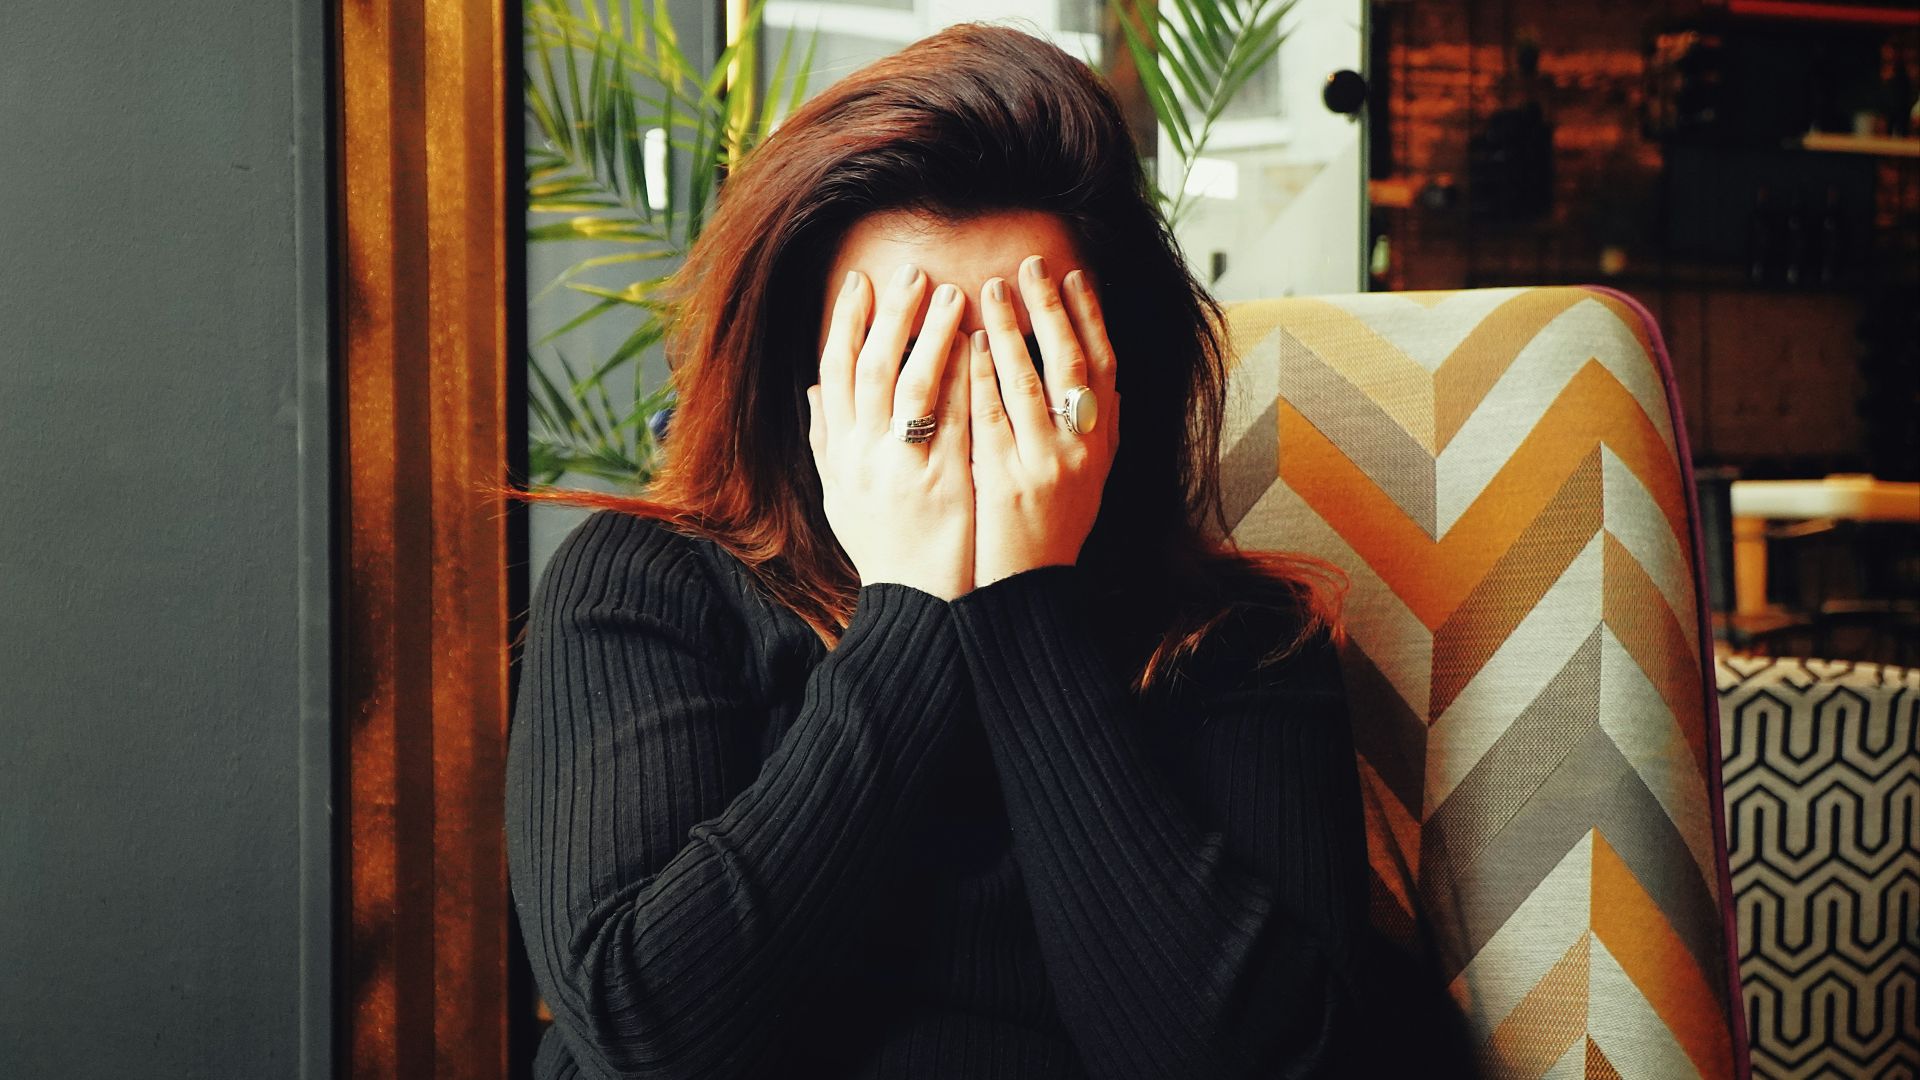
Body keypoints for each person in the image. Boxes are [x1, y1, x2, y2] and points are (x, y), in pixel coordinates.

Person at [505, 22, 1472, 1080]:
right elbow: (649, 1037)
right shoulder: (646, 589)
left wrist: (1022, 600)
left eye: (1022, 353)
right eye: (904, 353)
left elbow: (1256, 1063)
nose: (965, 404)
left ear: (1112, 375)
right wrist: (912, 601)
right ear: (805, 376)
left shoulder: (1238, 647)